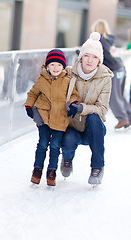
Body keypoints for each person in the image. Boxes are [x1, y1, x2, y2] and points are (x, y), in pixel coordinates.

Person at [60, 32, 113, 185]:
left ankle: (97, 167)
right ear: (81, 56)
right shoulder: (69, 73)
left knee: (94, 119)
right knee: (69, 139)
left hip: (92, 129)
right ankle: (67, 159)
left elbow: (102, 109)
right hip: (72, 125)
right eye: (87, 55)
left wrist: (81, 108)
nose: (90, 60)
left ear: (99, 60)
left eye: (95, 57)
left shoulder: (105, 78)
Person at [23, 49, 79, 186]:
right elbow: (32, 94)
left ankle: (51, 171)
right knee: (42, 144)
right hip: (43, 117)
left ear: (63, 66)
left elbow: (73, 95)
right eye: (52, 64)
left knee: (55, 146)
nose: (56, 68)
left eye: (59, 65)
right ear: (47, 65)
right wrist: (29, 106)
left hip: (60, 118)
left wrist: (73, 104)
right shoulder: (41, 80)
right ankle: (37, 170)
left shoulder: (67, 81)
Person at [92, 19, 131, 129]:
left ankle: (123, 119)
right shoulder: (109, 40)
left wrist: (79, 52)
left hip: (114, 70)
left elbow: (96, 54)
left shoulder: (99, 41)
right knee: (120, 95)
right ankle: (128, 116)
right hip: (120, 68)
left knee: (114, 96)